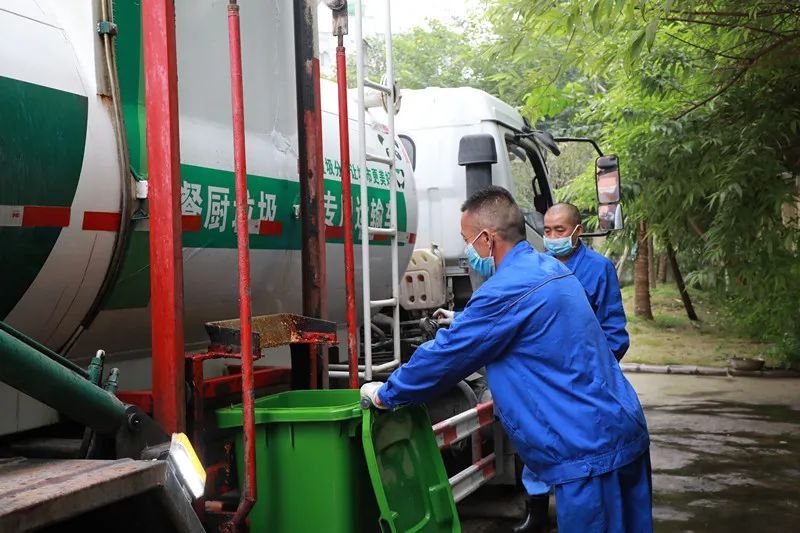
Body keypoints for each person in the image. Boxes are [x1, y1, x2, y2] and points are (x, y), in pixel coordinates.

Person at [361, 187, 652, 533]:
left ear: (486, 240)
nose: (467, 251)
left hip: (589, 449)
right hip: (620, 430)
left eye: (467, 241)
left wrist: (386, 393)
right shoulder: (549, 268)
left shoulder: (507, 289)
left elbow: (446, 355)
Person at [514, 202, 632, 531]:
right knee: (539, 440)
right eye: (547, 231)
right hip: (545, 377)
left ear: (577, 232)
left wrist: (594, 372)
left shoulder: (599, 268)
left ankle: (588, 514)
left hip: (586, 380)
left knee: (584, 448)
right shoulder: (537, 268)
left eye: (559, 231)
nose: (552, 237)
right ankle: (536, 513)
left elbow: (614, 331)